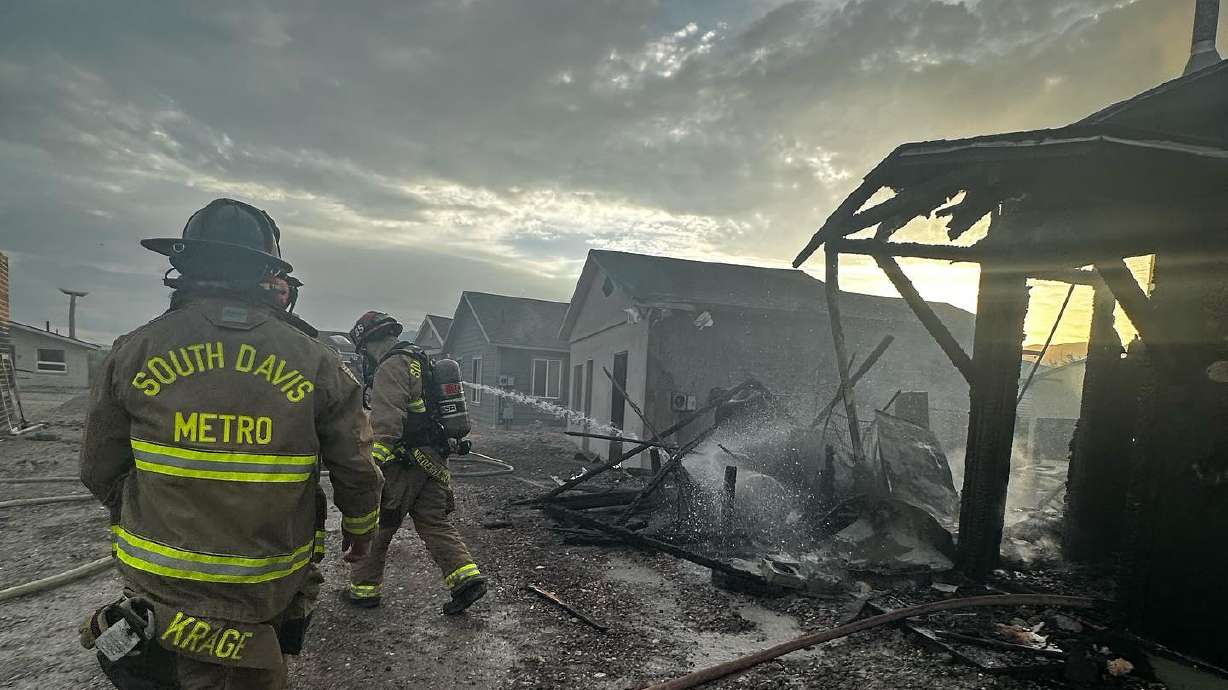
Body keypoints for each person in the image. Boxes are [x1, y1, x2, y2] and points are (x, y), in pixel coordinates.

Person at [79, 198, 384, 689]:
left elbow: (98, 468)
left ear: (183, 266)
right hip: (269, 582)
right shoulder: (317, 360)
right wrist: (360, 528)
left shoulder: (132, 351)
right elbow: (356, 467)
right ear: (266, 274)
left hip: (160, 582)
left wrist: (151, 511)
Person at [345, 311, 487, 614]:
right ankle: (466, 579)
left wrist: (373, 465)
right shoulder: (421, 361)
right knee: (434, 522)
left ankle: (364, 589)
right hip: (433, 461)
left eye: (365, 350)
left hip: (403, 464)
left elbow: (387, 421)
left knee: (380, 524)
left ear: (369, 343)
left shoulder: (391, 366)